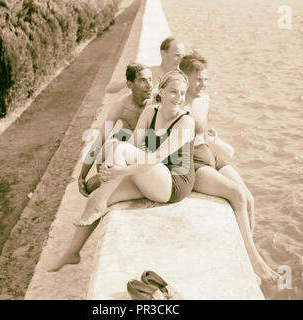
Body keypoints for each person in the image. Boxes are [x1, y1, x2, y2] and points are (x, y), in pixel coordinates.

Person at [47, 69, 195, 271]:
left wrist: (118, 172)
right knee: (101, 189)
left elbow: (156, 157)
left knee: (118, 151)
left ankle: (98, 204)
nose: (178, 98)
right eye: (173, 92)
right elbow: (134, 144)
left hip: (173, 184)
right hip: (151, 176)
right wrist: (112, 170)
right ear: (161, 91)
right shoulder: (151, 112)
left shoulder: (185, 121)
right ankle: (72, 252)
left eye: (182, 93)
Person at [179, 52, 280, 282]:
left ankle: (247, 253)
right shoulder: (177, 103)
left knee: (250, 199)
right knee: (236, 195)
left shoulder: (204, 99)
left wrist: (215, 139)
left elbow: (203, 131)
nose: (203, 84)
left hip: (209, 154)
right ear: (184, 77)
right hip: (193, 162)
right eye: (198, 79)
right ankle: (255, 262)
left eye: (206, 79)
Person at [78, 63, 153, 197]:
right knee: (91, 186)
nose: (149, 85)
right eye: (142, 80)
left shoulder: (156, 100)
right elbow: (99, 140)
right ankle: (98, 180)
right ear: (130, 85)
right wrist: (81, 176)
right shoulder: (120, 107)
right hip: (123, 145)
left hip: (140, 149)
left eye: (150, 79)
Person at [105, 37, 185, 93]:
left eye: (182, 56)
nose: (181, 60)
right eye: (177, 55)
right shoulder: (149, 73)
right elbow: (109, 89)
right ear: (163, 54)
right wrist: (131, 82)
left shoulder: (184, 78)